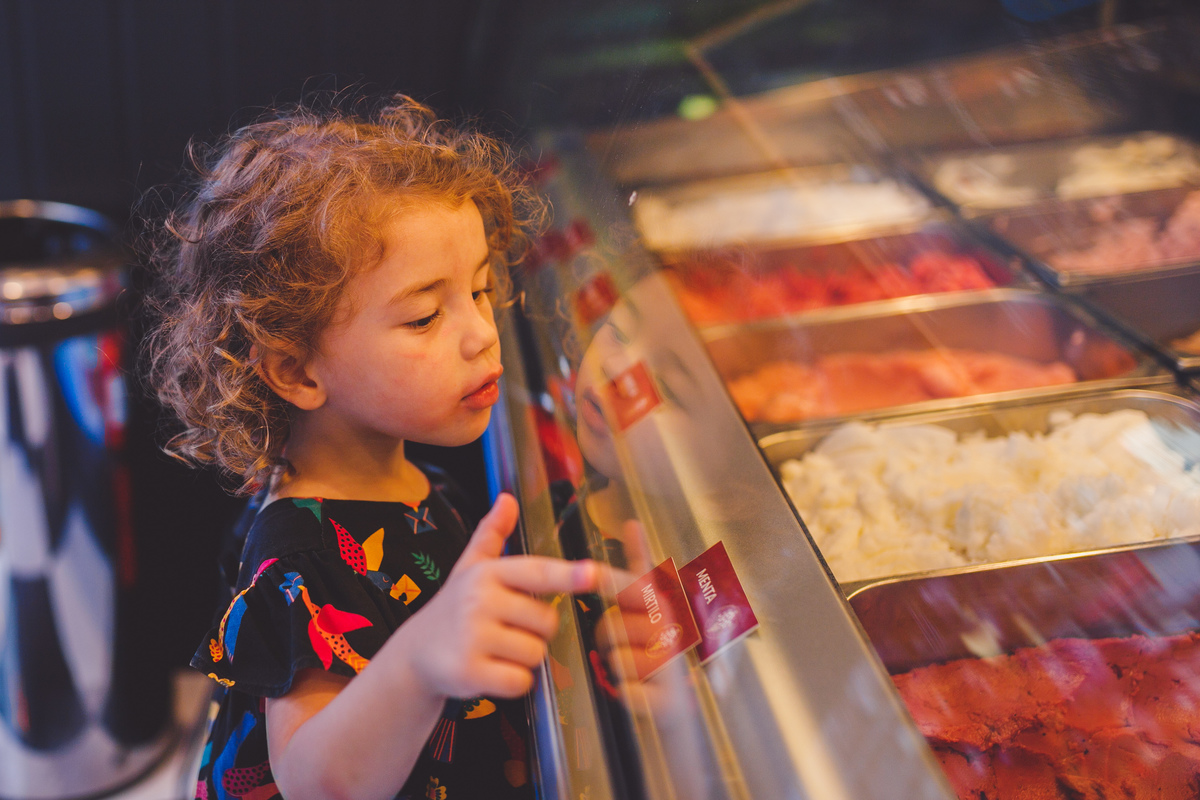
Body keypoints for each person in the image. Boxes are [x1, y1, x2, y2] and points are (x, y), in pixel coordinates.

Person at [140, 95, 599, 800]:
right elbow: (318, 781)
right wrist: (418, 662)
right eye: (423, 316)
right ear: (296, 370)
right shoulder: (300, 560)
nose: (481, 333)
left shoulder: (405, 477)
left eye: (479, 290)